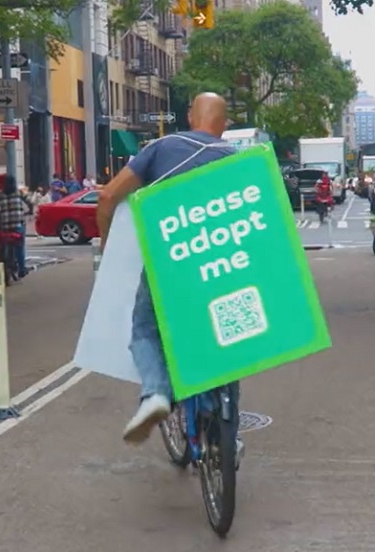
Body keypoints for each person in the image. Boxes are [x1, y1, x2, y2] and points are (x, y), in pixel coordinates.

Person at [96, 93, 244, 461]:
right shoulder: (239, 159)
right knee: (228, 339)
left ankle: (156, 393)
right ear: (223, 124)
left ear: (191, 117)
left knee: (145, 329)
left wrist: (106, 245)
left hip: (170, 260)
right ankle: (227, 432)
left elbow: (108, 196)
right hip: (223, 263)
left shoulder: (161, 147)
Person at [0, 174, 30, 277]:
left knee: (5, 244)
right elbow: (30, 202)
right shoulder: (19, 193)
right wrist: (29, 211)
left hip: (5, 226)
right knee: (20, 246)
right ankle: (22, 269)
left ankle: (5, 267)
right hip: (18, 224)